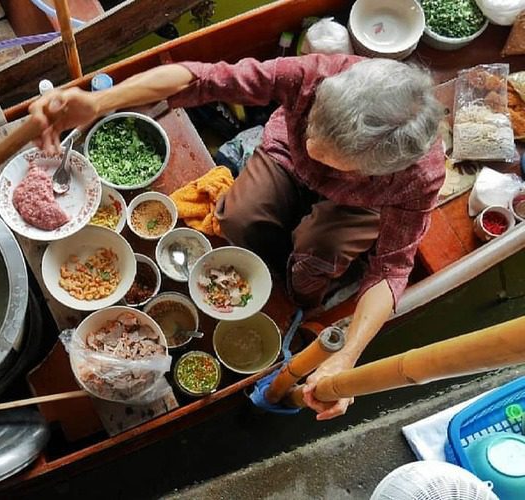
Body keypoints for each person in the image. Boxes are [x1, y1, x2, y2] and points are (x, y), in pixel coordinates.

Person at [29, 54, 444, 420]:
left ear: (374, 169)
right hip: (285, 160)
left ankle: (304, 289)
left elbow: (392, 267)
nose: (313, 144)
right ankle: (280, 256)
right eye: (313, 131)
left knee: (318, 256)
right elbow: (201, 78)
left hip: (358, 204)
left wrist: (346, 357)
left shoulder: (415, 177)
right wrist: (101, 101)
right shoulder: (321, 76)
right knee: (239, 219)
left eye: (330, 155)